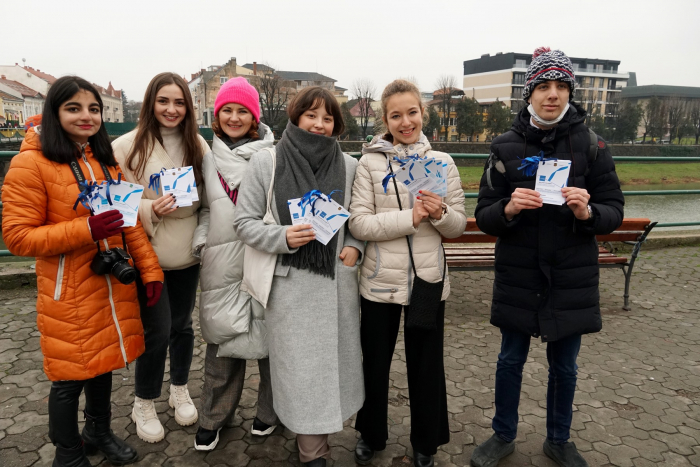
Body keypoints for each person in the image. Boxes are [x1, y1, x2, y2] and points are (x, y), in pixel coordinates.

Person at [470, 47, 624, 467]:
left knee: (566, 367)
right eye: (543, 86)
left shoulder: (593, 145)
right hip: (520, 274)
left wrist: (588, 212)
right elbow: (484, 215)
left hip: (571, 275)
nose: (551, 94)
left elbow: (614, 209)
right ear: (530, 93)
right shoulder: (504, 147)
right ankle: (502, 434)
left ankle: (558, 439)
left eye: (560, 86)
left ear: (570, 92)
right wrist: (508, 209)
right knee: (510, 360)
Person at [1, 76, 164, 467]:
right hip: (69, 289)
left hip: (111, 284)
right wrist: (86, 229)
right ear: (55, 113)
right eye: (74, 108)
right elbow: (18, 237)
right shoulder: (30, 163)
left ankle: (98, 432)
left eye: (93, 109)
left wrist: (151, 271)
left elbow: (129, 225)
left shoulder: (103, 161)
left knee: (104, 363)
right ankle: (68, 453)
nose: (86, 116)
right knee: (69, 378)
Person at [233, 86, 365, 467]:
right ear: (295, 117)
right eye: (311, 115)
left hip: (336, 284)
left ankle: (316, 443)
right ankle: (313, 452)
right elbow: (244, 223)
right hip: (290, 287)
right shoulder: (267, 162)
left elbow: (356, 221)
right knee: (301, 373)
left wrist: (355, 247)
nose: (319, 125)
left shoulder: (350, 165)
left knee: (332, 370)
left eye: (328, 118)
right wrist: (282, 236)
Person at [348, 79, 467, 467]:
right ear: (385, 119)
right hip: (380, 280)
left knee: (426, 365)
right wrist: (410, 218)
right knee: (376, 362)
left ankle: (426, 442)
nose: (405, 121)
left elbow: (458, 227)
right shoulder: (369, 163)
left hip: (428, 281)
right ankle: (371, 433)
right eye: (396, 115)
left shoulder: (443, 163)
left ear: (422, 114)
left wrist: (442, 213)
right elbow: (359, 225)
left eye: (411, 112)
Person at [113, 72, 209, 443]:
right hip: (148, 253)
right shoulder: (125, 146)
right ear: (151, 103)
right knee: (157, 330)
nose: (171, 109)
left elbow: (212, 196)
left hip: (187, 253)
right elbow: (112, 203)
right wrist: (150, 209)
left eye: (179, 102)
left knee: (183, 326)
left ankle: (180, 387)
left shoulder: (197, 144)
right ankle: (144, 401)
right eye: (164, 101)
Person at [191, 77, 280, 451]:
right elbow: (207, 209)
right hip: (221, 259)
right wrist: (201, 241)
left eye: (242, 110)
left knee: (272, 341)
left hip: (265, 255)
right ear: (217, 115)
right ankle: (215, 416)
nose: (234, 116)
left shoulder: (276, 156)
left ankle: (272, 412)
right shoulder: (207, 159)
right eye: (227, 109)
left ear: (255, 117)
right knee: (221, 342)